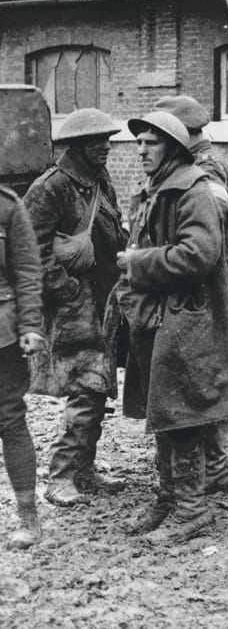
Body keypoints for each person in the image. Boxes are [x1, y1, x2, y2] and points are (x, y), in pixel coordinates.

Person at [118, 111, 228, 542]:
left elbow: (199, 254)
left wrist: (140, 264)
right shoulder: (155, 190)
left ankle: (192, 511)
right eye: (138, 143)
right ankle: (168, 498)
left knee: (185, 416)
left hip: (186, 320)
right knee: (164, 414)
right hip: (157, 319)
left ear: (172, 146)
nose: (141, 150)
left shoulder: (192, 190)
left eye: (150, 143)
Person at [155, 95, 228, 494]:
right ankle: (213, 467)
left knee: (202, 379)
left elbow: (219, 222)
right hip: (210, 282)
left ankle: (213, 468)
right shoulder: (210, 167)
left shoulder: (203, 173)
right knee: (206, 376)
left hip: (200, 289)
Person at [23, 108, 128, 507]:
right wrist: (65, 290)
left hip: (101, 303)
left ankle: (84, 469)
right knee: (86, 388)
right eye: (97, 140)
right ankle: (61, 476)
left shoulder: (99, 181)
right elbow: (28, 252)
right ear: (77, 146)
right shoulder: (51, 187)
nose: (105, 146)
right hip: (72, 306)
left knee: (96, 389)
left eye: (106, 139)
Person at [0, 188, 47, 549]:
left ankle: (28, 519)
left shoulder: (7, 206)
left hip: (1, 331)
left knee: (10, 420)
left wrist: (30, 324)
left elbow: (28, 270)